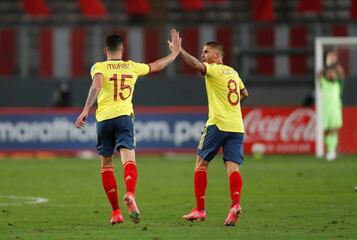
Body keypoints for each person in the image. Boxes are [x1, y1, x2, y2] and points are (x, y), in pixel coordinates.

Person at [75, 30, 181, 225]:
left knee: (106, 165)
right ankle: (130, 193)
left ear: (105, 50)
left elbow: (96, 87)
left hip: (104, 120)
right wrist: (174, 53)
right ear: (122, 49)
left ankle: (116, 212)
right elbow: (156, 66)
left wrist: (85, 110)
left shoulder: (98, 66)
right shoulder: (132, 66)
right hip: (124, 118)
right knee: (128, 159)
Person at [170, 31, 249, 226]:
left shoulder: (214, 69)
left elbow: (196, 65)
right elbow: (244, 93)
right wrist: (230, 105)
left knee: (201, 163)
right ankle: (235, 204)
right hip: (236, 125)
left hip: (217, 123)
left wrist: (179, 51)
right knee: (233, 167)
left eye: (206, 52)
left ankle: (200, 209)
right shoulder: (233, 72)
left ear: (217, 55)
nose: (203, 55)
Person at [321, 51, 345, 161]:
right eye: (329, 72)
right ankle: (329, 150)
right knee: (326, 131)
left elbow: (342, 74)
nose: (331, 74)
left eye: (333, 72)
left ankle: (332, 151)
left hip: (335, 110)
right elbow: (319, 74)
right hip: (325, 110)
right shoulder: (324, 82)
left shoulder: (338, 83)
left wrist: (335, 64)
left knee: (334, 129)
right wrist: (327, 65)